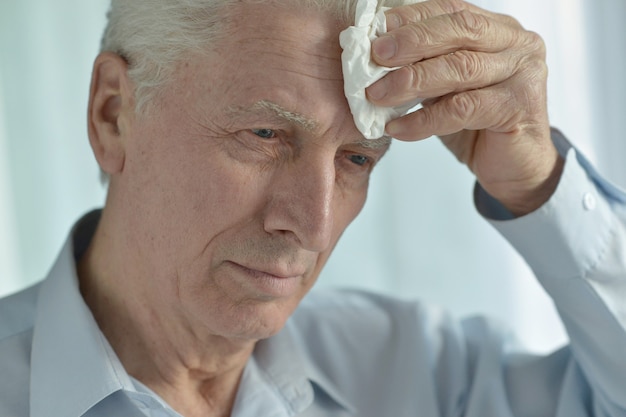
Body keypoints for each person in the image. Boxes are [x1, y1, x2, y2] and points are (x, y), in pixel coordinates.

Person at [1, 0, 625, 416]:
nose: (314, 225)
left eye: (357, 159)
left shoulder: (419, 372)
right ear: (114, 114)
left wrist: (539, 185)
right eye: (265, 136)